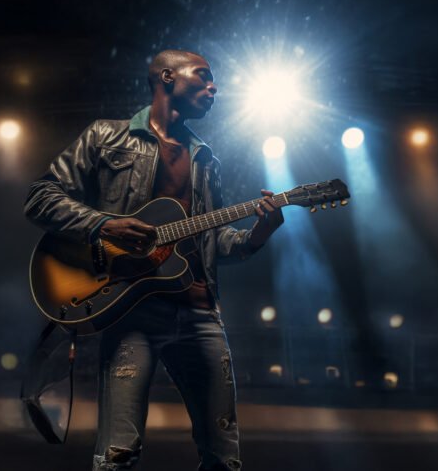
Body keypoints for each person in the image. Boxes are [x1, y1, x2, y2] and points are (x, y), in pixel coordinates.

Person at [24, 49, 284, 470]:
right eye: (203, 76)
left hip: (200, 313)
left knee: (225, 459)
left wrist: (260, 232)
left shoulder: (206, 159)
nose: (214, 87)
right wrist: (105, 225)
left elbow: (212, 240)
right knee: (118, 456)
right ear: (167, 76)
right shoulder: (106, 136)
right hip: (131, 313)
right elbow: (40, 198)